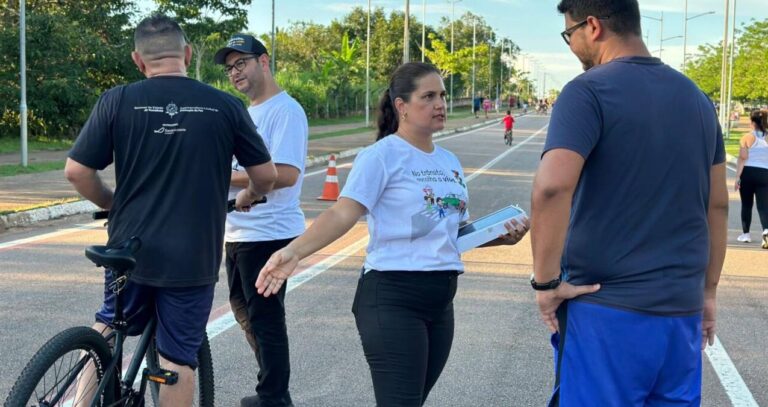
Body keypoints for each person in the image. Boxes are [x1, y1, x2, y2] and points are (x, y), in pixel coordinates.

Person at [253, 62, 529, 407]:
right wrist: (294, 252)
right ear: (402, 106)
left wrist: (499, 236)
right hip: (393, 297)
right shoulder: (381, 156)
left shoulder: (449, 161)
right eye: (428, 96)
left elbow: (454, 231)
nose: (440, 104)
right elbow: (342, 212)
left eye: (442, 96)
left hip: (441, 301)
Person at [64, 15, 277, 406]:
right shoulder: (225, 105)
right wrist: (249, 194)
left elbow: (76, 172)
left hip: (129, 245)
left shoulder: (117, 100)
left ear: (138, 60)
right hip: (191, 255)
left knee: (109, 325)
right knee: (177, 359)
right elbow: (266, 176)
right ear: (188, 54)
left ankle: (79, 402)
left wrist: (112, 203)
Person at [531, 1, 728, 406]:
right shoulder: (697, 99)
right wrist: (708, 292)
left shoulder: (587, 91)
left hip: (607, 313)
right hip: (681, 312)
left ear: (592, 26)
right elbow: (718, 206)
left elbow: (552, 188)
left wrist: (547, 283)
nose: (572, 46)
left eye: (569, 35)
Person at [213, 33, 309, 407]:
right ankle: (272, 390)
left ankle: (273, 396)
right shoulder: (248, 113)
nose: (235, 72)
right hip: (239, 231)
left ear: (264, 62)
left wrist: (224, 176)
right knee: (245, 313)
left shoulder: (285, 111)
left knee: (265, 318)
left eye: (241, 63)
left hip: (269, 233)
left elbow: (286, 173)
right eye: (229, 68)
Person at [735, 110, 768, 248]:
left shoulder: (746, 137)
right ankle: (766, 230)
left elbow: (743, 158)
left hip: (748, 172)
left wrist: (738, 177)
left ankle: (746, 234)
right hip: (765, 173)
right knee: (763, 205)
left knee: (746, 204)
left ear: (753, 122)